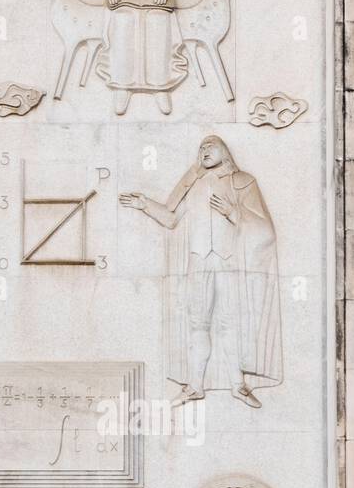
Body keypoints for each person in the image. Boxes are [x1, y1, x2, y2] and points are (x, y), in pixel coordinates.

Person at [120, 135, 282, 407]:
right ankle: (195, 385)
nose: (205, 150)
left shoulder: (242, 181)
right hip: (199, 261)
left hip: (228, 260)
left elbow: (265, 228)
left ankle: (237, 384)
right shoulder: (193, 184)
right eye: (202, 147)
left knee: (230, 322)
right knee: (198, 323)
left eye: (211, 146)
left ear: (225, 151)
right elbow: (172, 218)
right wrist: (145, 204)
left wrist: (234, 213)